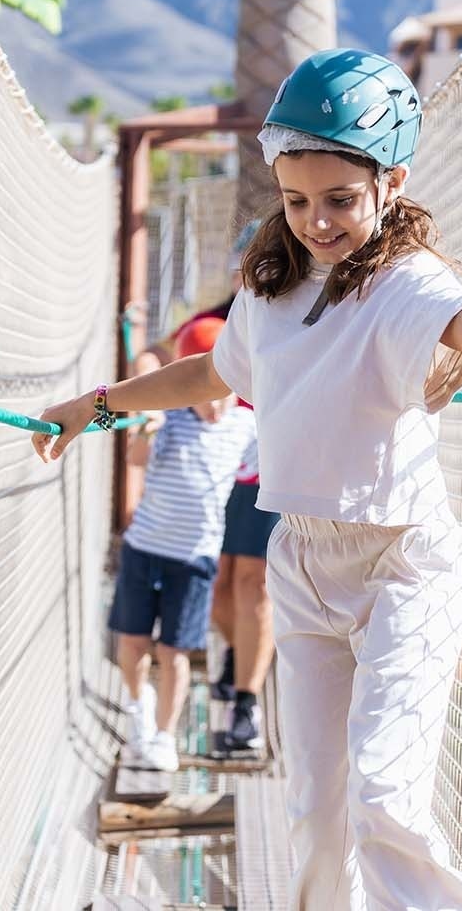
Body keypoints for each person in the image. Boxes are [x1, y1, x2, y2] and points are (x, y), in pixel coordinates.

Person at [33, 48, 462, 911]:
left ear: (390, 182)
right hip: (303, 561)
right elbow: (213, 375)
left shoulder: (406, 284)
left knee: (384, 801)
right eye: (296, 201)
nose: (315, 220)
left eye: (338, 199)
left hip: (402, 565)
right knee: (317, 821)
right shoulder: (274, 288)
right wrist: (95, 409)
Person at [132, 220, 280, 754]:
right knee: (220, 587)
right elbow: (157, 356)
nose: (257, 275)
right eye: (250, 264)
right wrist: (147, 387)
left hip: (271, 467)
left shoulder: (299, 320)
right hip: (215, 471)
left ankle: (245, 702)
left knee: (253, 585)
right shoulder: (214, 323)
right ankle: (240, 654)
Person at [108, 315, 257, 773]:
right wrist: (146, 426)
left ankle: (165, 736)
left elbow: (260, 469)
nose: (214, 406)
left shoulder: (245, 427)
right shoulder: (168, 417)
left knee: (174, 651)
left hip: (194, 559)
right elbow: (134, 458)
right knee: (132, 641)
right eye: (204, 396)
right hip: (145, 548)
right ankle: (137, 707)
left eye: (223, 394)